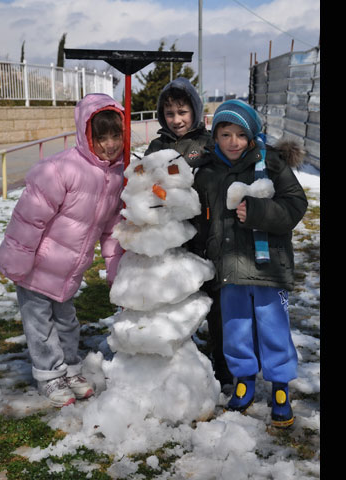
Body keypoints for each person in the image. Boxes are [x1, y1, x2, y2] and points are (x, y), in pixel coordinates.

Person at [0, 93, 126, 408]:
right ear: (85, 135)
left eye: (115, 135)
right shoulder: (60, 169)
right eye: (100, 137)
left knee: (66, 321)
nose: (109, 144)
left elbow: (111, 229)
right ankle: (48, 374)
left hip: (69, 271)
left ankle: (68, 367)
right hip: (35, 266)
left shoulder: (117, 175)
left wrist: (117, 270)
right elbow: (29, 219)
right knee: (40, 325)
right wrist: (17, 261)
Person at [190, 99, 308, 428]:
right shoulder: (209, 172)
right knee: (236, 328)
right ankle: (243, 381)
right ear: (215, 137)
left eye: (240, 134)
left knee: (273, 328)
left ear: (253, 136)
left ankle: (280, 386)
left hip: (268, 267)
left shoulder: (270, 164)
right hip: (228, 268)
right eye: (225, 134)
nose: (232, 142)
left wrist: (258, 212)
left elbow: (296, 205)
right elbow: (199, 216)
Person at [144, 77, 232, 391]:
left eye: (183, 112)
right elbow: (147, 186)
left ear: (194, 111)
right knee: (178, 300)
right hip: (174, 238)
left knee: (216, 301)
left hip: (208, 233)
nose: (177, 119)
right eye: (170, 114)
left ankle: (223, 365)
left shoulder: (208, 144)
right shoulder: (157, 147)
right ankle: (185, 363)